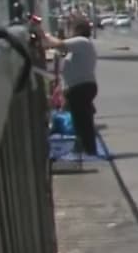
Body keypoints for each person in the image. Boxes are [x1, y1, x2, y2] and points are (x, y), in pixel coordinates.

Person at [39, 20, 100, 157]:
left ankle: (87, 149)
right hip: (78, 87)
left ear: (77, 29)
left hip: (81, 87)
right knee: (80, 119)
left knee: (81, 121)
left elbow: (59, 45)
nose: (69, 32)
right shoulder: (81, 44)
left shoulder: (81, 41)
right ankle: (85, 148)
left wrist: (45, 35)